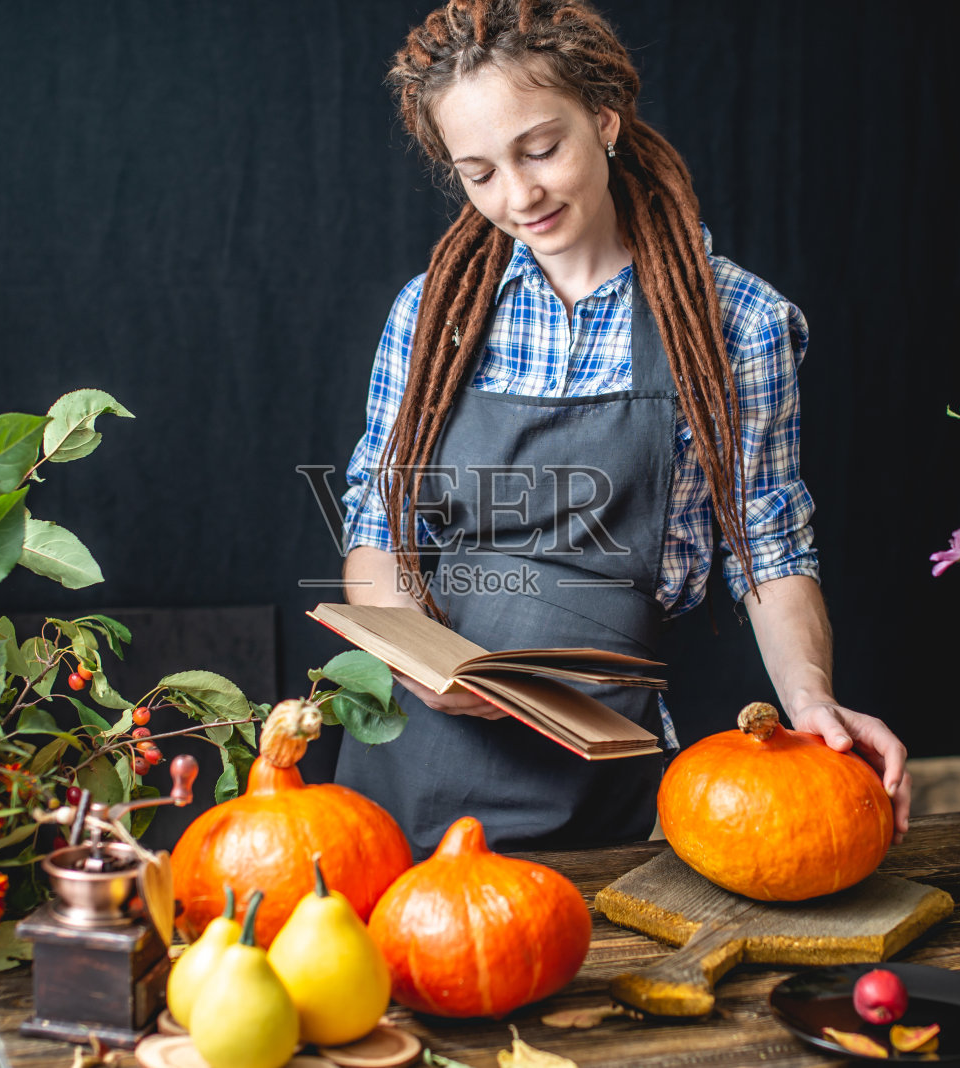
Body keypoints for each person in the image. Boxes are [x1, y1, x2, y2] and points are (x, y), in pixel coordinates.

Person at [335, 0, 910, 856]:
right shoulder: (432, 314)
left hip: (590, 766)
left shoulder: (736, 323)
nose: (519, 196)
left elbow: (767, 545)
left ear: (603, 119)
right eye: (479, 172)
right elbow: (377, 526)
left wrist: (811, 700)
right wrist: (422, 660)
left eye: (541, 150)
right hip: (408, 746)